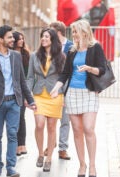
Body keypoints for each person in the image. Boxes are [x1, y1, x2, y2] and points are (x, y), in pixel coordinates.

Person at [50, 20, 107, 177]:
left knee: (88, 128)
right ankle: (82, 165)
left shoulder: (95, 47)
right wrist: (56, 88)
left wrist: (89, 68)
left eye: (75, 32)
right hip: (73, 93)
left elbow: (102, 69)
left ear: (84, 32)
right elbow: (65, 73)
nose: (73, 35)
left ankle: (93, 165)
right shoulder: (72, 50)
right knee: (77, 130)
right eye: (72, 32)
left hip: (89, 93)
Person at [0, 25, 36, 177]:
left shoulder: (16, 56)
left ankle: (11, 167)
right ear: (0, 39)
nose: (13, 39)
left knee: (12, 133)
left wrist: (30, 100)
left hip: (14, 102)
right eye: (10, 37)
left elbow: (21, 81)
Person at [26, 28, 66, 172]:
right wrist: (27, 96)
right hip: (38, 95)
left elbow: (64, 77)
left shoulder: (61, 57)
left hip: (55, 96)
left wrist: (63, 95)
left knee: (51, 127)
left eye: (46, 36)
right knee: (40, 124)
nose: (43, 38)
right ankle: (40, 154)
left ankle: (49, 158)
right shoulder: (34, 56)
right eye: (42, 36)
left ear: (53, 39)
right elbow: (30, 77)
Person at [42, 21, 73, 160]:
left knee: (65, 118)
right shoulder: (49, 47)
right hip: (51, 86)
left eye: (51, 32)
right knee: (51, 118)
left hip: (67, 85)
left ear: (58, 32)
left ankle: (62, 148)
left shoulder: (71, 47)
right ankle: (51, 143)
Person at [12, 31, 30, 156]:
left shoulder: (26, 54)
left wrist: (27, 93)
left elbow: (28, 75)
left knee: (21, 117)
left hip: (22, 90)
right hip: (11, 90)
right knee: (14, 118)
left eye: (23, 39)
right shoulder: (9, 54)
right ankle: (16, 145)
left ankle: (22, 144)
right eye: (19, 39)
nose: (21, 41)